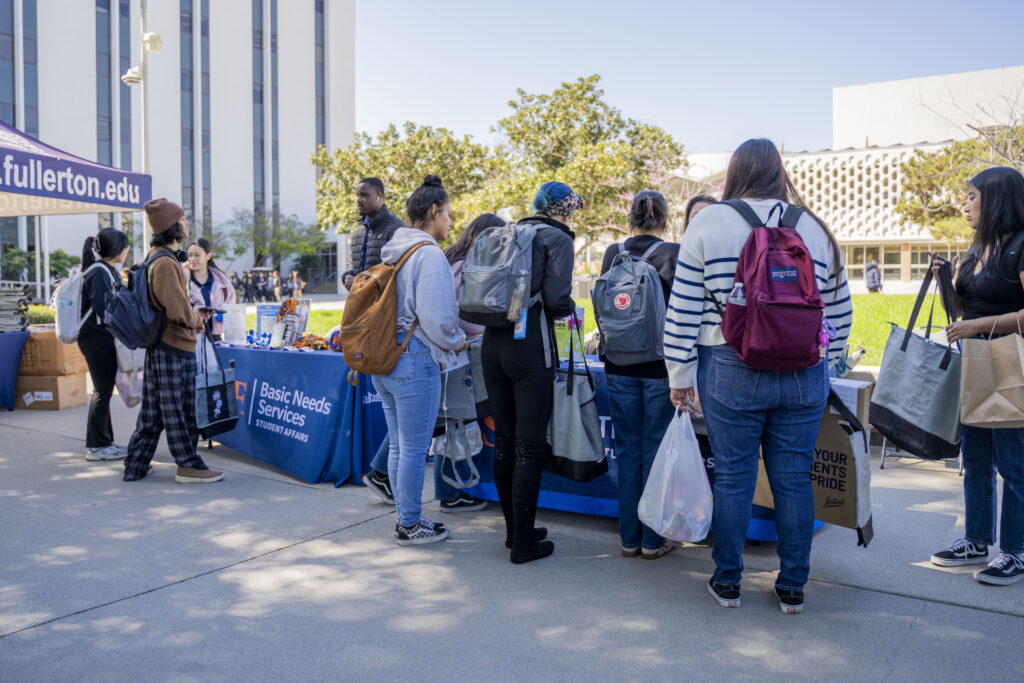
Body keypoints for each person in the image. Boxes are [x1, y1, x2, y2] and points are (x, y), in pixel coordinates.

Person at [665, 139, 852, 613]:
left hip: (729, 364)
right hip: (804, 370)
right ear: (779, 172)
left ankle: (727, 581)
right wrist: (830, 365)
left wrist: (679, 372)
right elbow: (840, 311)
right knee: (793, 479)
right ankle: (792, 587)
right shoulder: (813, 227)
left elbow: (683, 308)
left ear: (736, 172)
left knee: (733, 478)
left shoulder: (708, 221)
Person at [928, 166, 1024, 586]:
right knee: (977, 458)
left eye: (971, 196)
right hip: (975, 362)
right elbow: (963, 314)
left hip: (1009, 363)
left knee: (1014, 461)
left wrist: (977, 328)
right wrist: (945, 284)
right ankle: (976, 540)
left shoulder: (1021, 245)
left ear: (996, 199)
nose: (965, 204)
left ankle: (1016, 552)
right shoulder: (977, 246)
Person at [480, 181, 579, 564]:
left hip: (493, 343)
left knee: (504, 440)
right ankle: (523, 543)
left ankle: (514, 531)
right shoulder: (558, 238)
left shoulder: (511, 230)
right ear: (562, 209)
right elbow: (556, 300)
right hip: (529, 345)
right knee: (530, 445)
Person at [372, 175, 468, 545]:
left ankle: (407, 517)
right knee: (413, 449)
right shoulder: (428, 255)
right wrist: (458, 343)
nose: (449, 223)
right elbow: (439, 319)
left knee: (399, 446)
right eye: (447, 215)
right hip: (415, 359)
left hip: (387, 357)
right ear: (433, 211)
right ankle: (410, 523)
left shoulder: (396, 250)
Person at [600, 191, 679, 560]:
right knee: (655, 452)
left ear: (630, 217)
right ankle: (652, 541)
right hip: (660, 368)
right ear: (665, 218)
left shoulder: (613, 253)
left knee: (628, 452)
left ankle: (628, 540)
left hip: (617, 365)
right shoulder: (672, 254)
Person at [122, 198, 223, 484]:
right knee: (180, 409)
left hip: (162, 347)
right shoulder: (166, 263)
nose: (187, 223)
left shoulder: (159, 256)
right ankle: (188, 465)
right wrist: (198, 319)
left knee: (154, 413)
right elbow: (178, 312)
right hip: (175, 347)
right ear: (172, 226)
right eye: (182, 219)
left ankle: (135, 465)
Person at [425, 212, 507, 513]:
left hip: (455, 354)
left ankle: (450, 490)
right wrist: (488, 328)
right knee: (453, 423)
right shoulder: (466, 266)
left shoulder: (455, 260)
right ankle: (448, 493)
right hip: (459, 355)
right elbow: (460, 314)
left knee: (451, 423)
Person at [77, 228, 131, 461]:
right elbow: (104, 308)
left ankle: (104, 442)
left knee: (104, 390)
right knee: (102, 390)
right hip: (96, 337)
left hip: (99, 336)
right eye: (126, 247)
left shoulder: (106, 270)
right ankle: (97, 447)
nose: (128, 251)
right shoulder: (99, 272)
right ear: (117, 249)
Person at [342, 177, 405, 291]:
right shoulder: (358, 232)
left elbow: (395, 271)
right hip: (360, 303)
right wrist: (348, 276)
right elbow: (352, 262)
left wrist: (359, 281)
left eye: (364, 195)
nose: (359, 200)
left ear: (379, 196)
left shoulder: (397, 229)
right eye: (358, 195)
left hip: (384, 305)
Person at [187, 238, 236, 341]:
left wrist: (224, 316)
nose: (192, 259)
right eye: (190, 255)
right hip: (190, 336)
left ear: (208, 256)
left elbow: (231, 307)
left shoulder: (223, 282)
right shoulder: (181, 279)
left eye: (197, 255)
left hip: (216, 337)